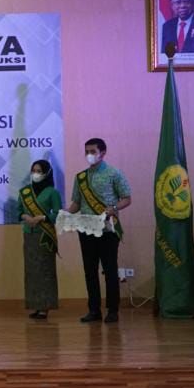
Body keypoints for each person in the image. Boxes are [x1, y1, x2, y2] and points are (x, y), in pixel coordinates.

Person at [66, 138, 132, 324]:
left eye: (92, 151)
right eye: (87, 151)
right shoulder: (80, 177)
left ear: (102, 153)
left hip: (107, 229)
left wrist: (114, 208)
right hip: (86, 228)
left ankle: (113, 310)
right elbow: (76, 203)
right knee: (90, 270)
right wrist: (66, 214)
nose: (89, 155)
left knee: (110, 270)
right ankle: (94, 310)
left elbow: (127, 198)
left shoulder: (114, 173)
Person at [18, 160, 61, 320]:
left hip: (45, 236)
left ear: (46, 173)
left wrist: (42, 217)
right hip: (29, 234)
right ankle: (35, 305)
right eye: (33, 170)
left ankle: (45, 307)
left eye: (39, 171)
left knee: (45, 271)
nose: (35, 174)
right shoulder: (25, 192)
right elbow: (18, 211)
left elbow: (58, 213)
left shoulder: (52, 192)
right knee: (32, 272)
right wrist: (26, 217)